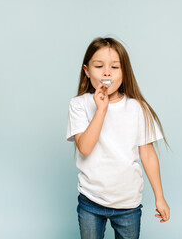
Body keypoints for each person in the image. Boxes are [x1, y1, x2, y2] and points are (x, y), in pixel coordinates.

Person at [66, 37, 171, 239]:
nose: (107, 72)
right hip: (91, 200)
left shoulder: (138, 108)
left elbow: (148, 155)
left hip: (128, 204)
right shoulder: (79, 105)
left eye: (115, 67)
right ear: (87, 71)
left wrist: (160, 197)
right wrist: (101, 110)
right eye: (99, 66)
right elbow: (85, 148)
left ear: (124, 73)